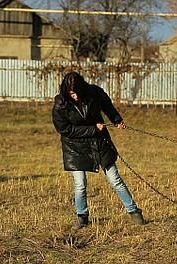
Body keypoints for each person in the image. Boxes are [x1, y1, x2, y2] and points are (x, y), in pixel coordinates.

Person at [52, 71, 145, 227]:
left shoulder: (95, 93)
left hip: (99, 142)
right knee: (80, 184)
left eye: (76, 93)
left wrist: (117, 120)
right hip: (75, 147)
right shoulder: (60, 104)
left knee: (115, 180)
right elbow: (65, 130)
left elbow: (107, 106)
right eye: (71, 94)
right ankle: (82, 217)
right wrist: (93, 128)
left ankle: (134, 211)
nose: (74, 96)